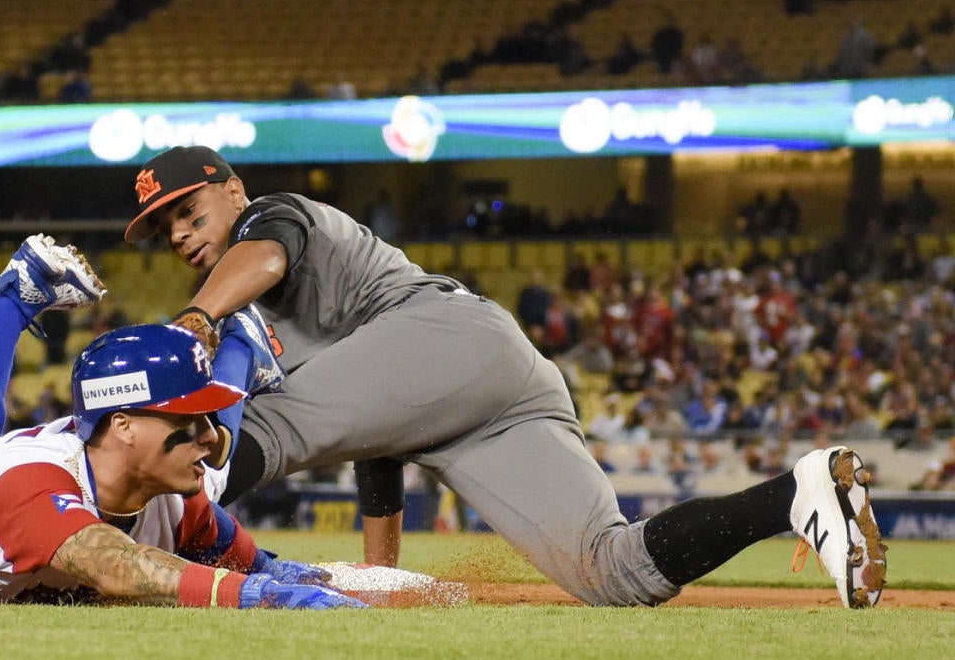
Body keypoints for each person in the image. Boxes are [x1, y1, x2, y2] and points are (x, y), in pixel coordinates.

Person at [122, 145, 887, 608]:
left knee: (270, 425)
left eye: (187, 211)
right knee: (611, 570)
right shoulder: (276, 309)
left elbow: (266, 254)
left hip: (445, 337)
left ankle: (133, 544)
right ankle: (798, 493)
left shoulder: (269, 221)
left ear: (230, 187)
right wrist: (379, 572)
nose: (181, 234)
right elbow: (375, 430)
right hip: (487, 388)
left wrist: (197, 318)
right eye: (166, 232)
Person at [0, 234, 364, 610]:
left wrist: (276, 574)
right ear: (123, 423)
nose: (209, 437)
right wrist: (257, 595)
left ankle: (239, 343)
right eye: (186, 422)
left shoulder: (177, 496)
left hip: (79, 461)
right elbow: (116, 566)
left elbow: (250, 563)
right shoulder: (29, 486)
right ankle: (15, 296)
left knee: (210, 471)